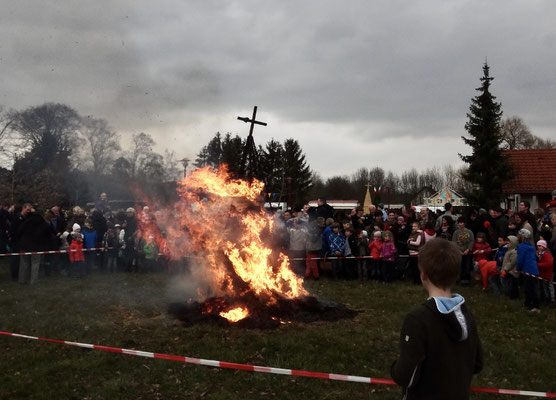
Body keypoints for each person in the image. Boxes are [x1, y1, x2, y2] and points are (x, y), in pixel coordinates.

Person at [391, 239, 483, 399]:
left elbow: (407, 376)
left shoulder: (417, 319)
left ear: (423, 275)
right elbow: (477, 363)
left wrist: (395, 368)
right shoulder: (466, 314)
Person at [517, 229, 540, 313]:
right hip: (533, 269)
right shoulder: (530, 246)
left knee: (531, 289)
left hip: (528, 270)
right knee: (528, 288)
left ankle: (535, 307)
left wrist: (518, 268)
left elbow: (520, 259)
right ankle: (528, 303)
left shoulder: (522, 247)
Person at [452, 217, 475, 283]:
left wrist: (468, 249)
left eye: (461, 223)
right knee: (459, 266)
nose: (459, 224)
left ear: (464, 223)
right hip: (459, 252)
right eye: (458, 223)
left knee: (467, 265)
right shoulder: (456, 232)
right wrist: (459, 251)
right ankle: (460, 279)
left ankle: (467, 279)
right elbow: (454, 241)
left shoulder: (469, 231)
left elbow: (472, 241)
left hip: (467, 252)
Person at [536, 239, 554, 304]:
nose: (538, 247)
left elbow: (548, 264)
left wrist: (538, 265)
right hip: (542, 273)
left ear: (544, 247)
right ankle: (545, 298)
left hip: (548, 273)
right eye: (538, 246)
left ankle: (551, 299)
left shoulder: (546, 254)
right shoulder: (538, 254)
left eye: (540, 246)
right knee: (544, 286)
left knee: (548, 286)